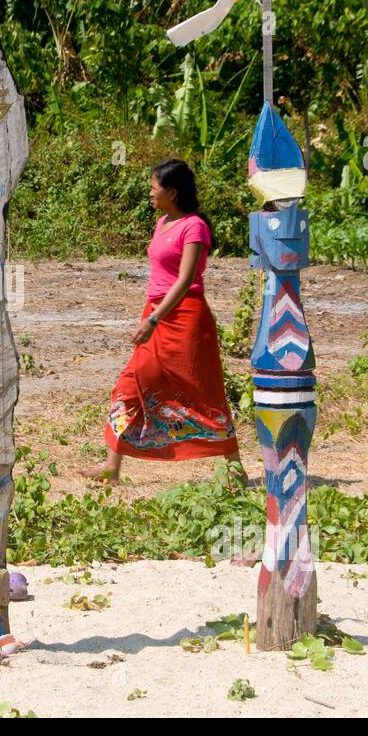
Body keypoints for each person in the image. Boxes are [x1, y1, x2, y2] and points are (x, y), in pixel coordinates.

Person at [79, 158, 246, 488]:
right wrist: (151, 316)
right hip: (155, 314)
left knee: (205, 392)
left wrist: (154, 319)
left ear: (171, 191)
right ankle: (112, 467)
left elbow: (185, 281)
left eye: (154, 188)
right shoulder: (162, 223)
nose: (150, 193)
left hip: (184, 318)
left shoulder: (194, 226)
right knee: (130, 384)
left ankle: (234, 468)